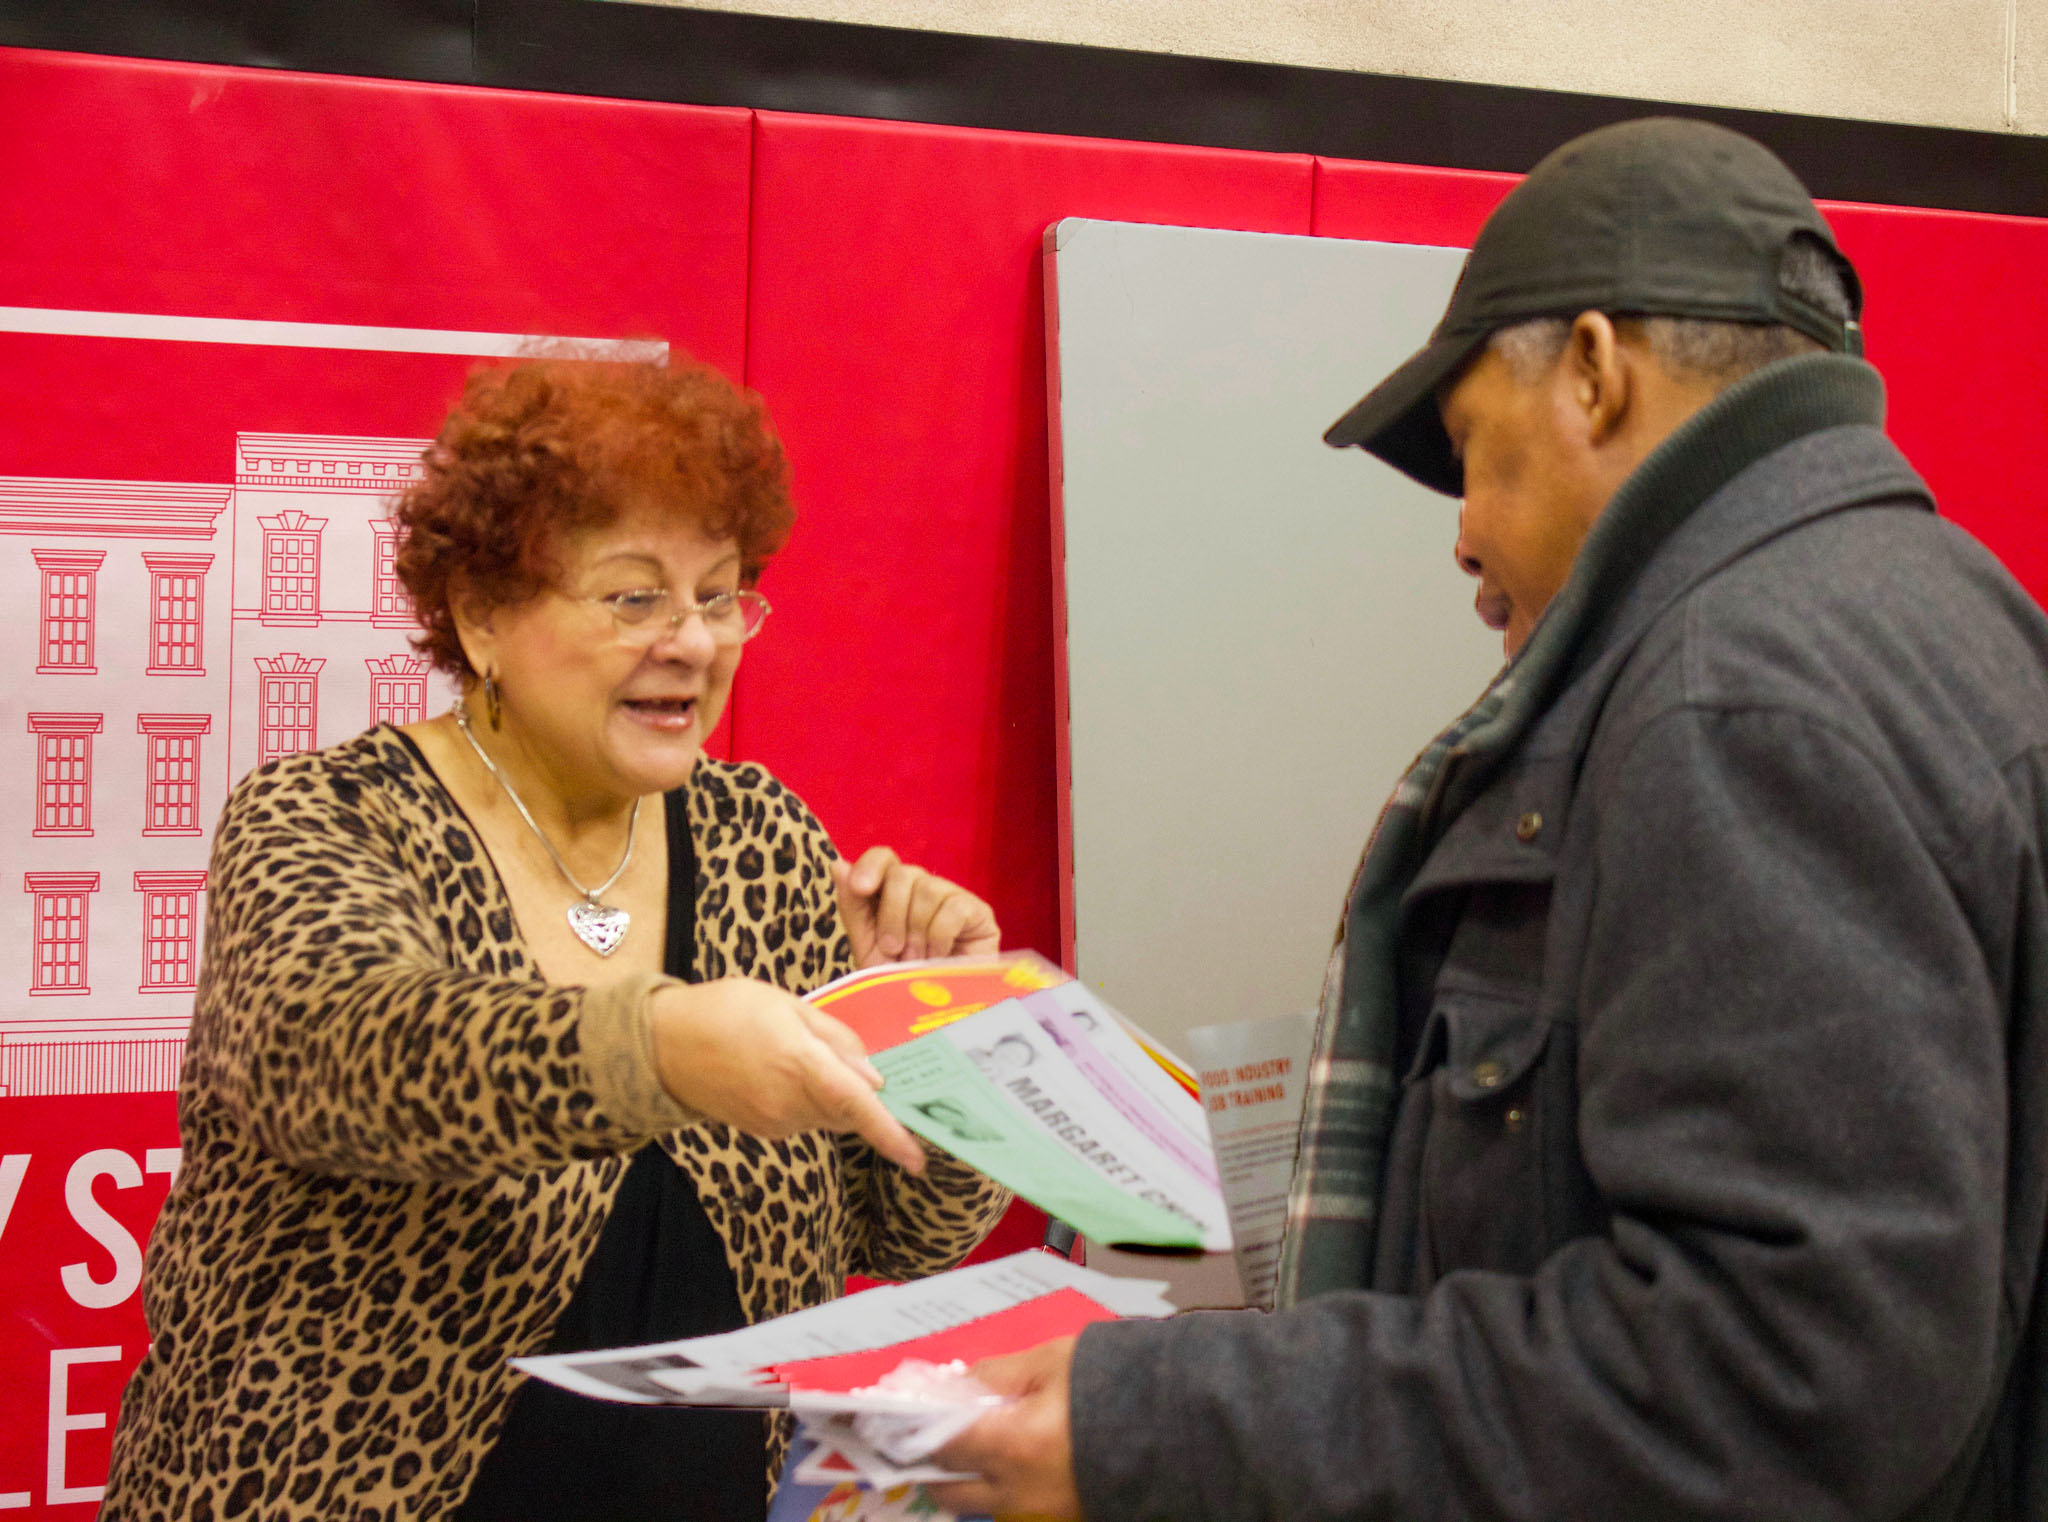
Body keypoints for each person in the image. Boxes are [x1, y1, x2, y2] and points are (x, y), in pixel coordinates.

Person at [937, 117, 2048, 1521]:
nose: (1461, 531)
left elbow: (1780, 1369)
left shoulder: (1730, 702)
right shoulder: (1954, 611)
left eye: (1469, 447)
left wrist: (1180, 1422)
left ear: (1593, 371)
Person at [101, 357, 1012, 1522]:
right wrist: (667, 1045)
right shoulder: (328, 817)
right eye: (633, 598)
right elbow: (342, 1060)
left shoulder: (763, 840)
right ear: (482, 615)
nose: (692, 642)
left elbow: (907, 1231)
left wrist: (939, 1030)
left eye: (720, 595)